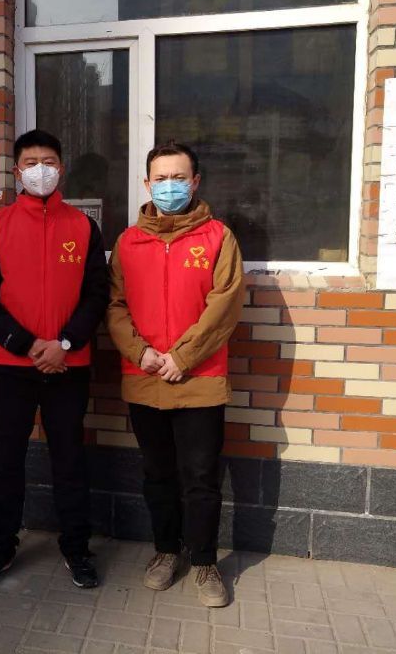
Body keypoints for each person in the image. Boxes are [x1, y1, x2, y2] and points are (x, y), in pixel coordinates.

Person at [106, 141, 244, 607]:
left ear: (195, 182)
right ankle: (166, 551)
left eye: (178, 178)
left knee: (201, 477)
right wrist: (140, 352)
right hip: (144, 375)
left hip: (200, 379)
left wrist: (183, 357)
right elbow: (114, 305)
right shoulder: (128, 242)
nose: (170, 186)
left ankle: (204, 561)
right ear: (147, 184)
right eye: (161, 178)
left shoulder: (218, 237)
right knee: (158, 473)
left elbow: (225, 305)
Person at [0, 129, 110, 588]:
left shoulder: (83, 227)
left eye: (48, 162)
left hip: (68, 365)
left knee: (69, 459)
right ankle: (0, 545)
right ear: (17, 171)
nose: (40, 170)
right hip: (11, 366)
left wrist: (63, 344)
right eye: (31, 163)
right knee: (5, 460)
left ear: (61, 169)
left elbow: (97, 295)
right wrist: (28, 344)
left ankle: (76, 547)